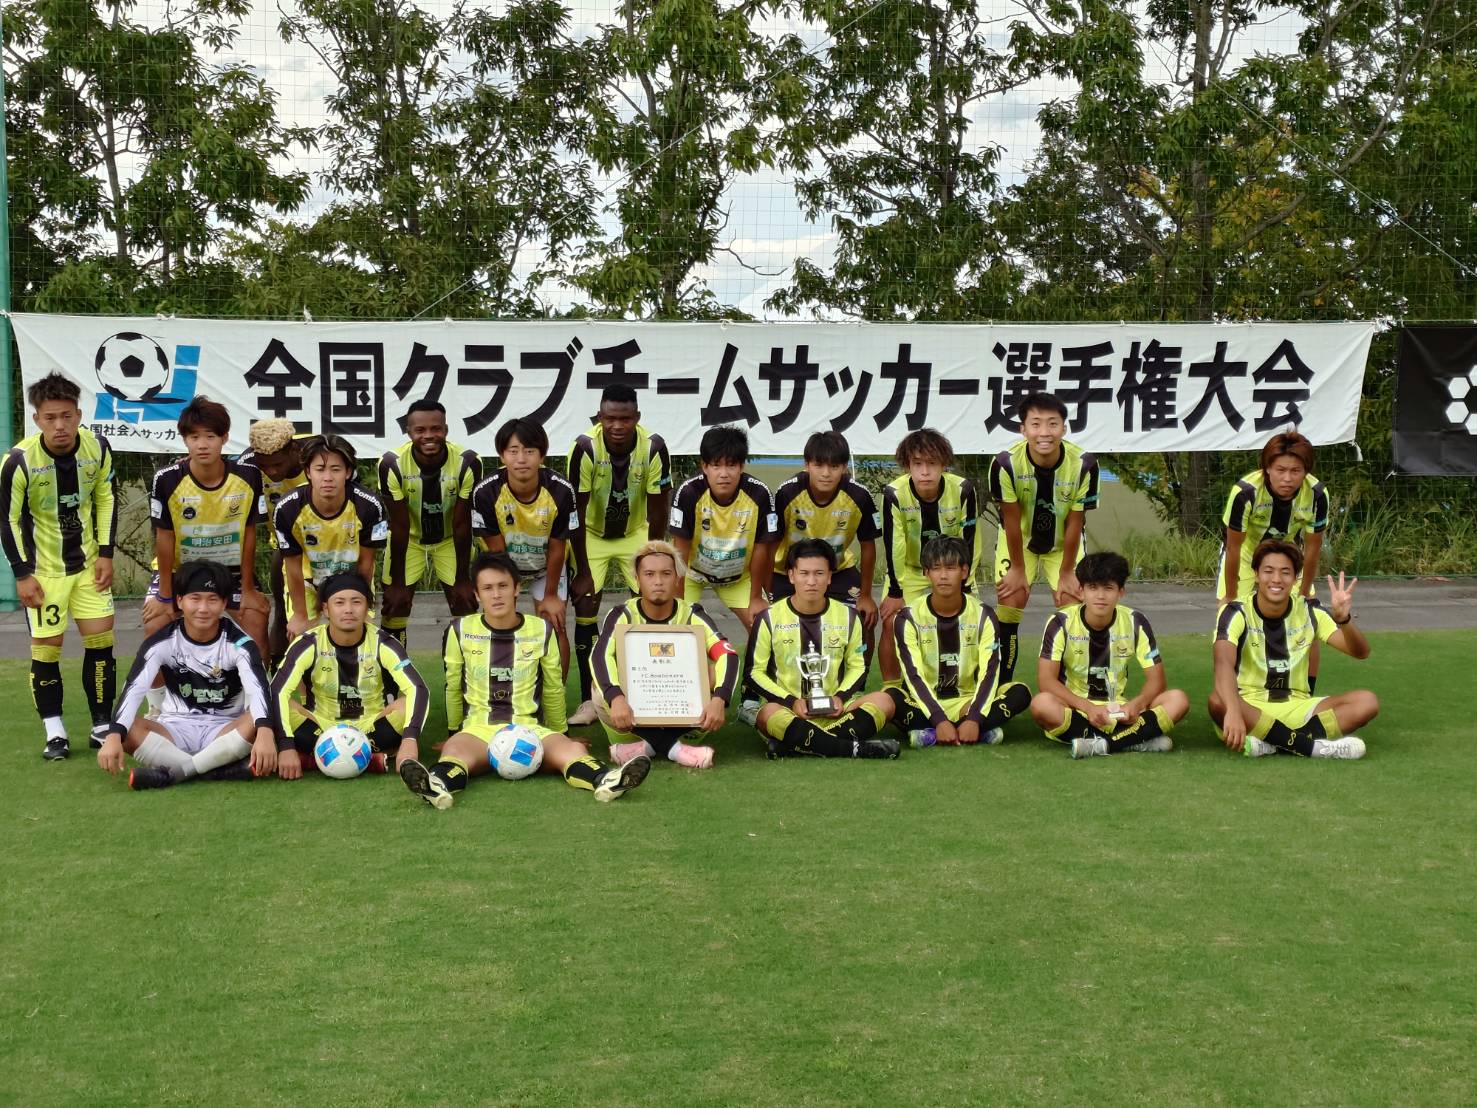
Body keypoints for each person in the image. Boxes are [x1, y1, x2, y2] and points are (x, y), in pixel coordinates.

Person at [397, 552, 651, 809]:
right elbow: (453, 686)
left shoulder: (542, 629)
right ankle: (435, 786)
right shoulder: (460, 630)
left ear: (517, 588)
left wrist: (561, 734)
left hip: (530, 732)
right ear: (477, 594)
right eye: (488, 588)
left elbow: (553, 688)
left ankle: (608, 780)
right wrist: (454, 734)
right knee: (454, 754)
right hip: (478, 730)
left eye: (503, 586)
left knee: (574, 752)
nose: (496, 595)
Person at [1, 372, 118, 759]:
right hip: (44, 572)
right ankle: (55, 732)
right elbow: (7, 521)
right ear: (37, 419)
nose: (60, 425)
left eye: (67, 416)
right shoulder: (18, 461)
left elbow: (106, 498)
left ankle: (101, 725)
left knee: (101, 641)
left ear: (79, 415)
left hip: (88, 567)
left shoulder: (97, 447)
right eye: (50, 418)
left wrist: (106, 553)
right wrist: (22, 574)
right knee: (47, 650)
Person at [96, 561, 278, 790]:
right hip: (173, 730)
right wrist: (114, 736)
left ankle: (177, 773)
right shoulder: (161, 642)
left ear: (224, 603)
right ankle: (217, 770)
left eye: (212, 600)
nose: (203, 608)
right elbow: (134, 689)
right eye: (195, 599)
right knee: (124, 727)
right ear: (180, 601)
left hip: (223, 730)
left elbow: (258, 690)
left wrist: (265, 732)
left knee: (259, 721)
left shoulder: (240, 644)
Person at [1209, 539, 1375, 760]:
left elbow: (1361, 652)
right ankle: (1313, 747)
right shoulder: (1235, 612)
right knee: (1218, 701)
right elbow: (1223, 664)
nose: (1276, 579)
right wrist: (1232, 711)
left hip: (1298, 707)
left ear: (1296, 578)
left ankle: (1274, 744)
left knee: (1366, 702)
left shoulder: (1310, 611)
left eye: (1285, 572)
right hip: (1249, 707)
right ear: (1256, 575)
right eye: (1268, 571)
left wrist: (1344, 619)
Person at [566, 385, 673, 726]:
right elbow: (574, 512)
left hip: (635, 532)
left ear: (636, 418)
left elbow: (659, 507)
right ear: (599, 417)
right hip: (591, 534)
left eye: (625, 419)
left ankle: (648, 693)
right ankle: (588, 699)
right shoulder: (585, 448)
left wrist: (653, 557)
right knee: (585, 604)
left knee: (652, 602)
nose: (617, 426)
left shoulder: (653, 447)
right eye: (610, 418)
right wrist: (583, 571)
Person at [746, 539, 900, 760]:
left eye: (819, 573)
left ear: (829, 577)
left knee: (885, 701)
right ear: (791, 576)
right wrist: (791, 701)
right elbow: (753, 672)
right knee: (767, 714)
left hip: (838, 710)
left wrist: (840, 697)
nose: (811, 581)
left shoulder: (849, 616)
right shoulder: (768, 618)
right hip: (789, 710)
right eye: (804, 573)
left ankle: (797, 744)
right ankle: (853, 748)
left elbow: (858, 666)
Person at [591, 541, 737, 769]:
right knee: (600, 685)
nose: (658, 581)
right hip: (629, 724)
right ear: (637, 580)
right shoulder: (622, 614)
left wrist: (720, 698)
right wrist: (615, 697)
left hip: (679, 712)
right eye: (649, 574)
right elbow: (599, 655)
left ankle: (649, 748)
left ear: (677, 578)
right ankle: (674, 749)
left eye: (666, 574)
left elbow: (727, 654)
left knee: (712, 675)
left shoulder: (692, 613)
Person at [1029, 551, 1189, 758]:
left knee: (1178, 699)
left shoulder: (1136, 621)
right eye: (1093, 587)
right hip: (1076, 710)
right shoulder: (1060, 622)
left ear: (1121, 592)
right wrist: (1088, 708)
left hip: (1119, 712)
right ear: (1081, 591)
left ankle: (1100, 744)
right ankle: (1132, 740)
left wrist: (1136, 705)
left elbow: (1157, 681)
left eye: (1108, 588)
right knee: (1041, 704)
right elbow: (1046, 681)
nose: (1100, 596)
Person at [144, 396, 270, 655]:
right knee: (155, 623)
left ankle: (254, 683)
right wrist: (165, 595)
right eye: (194, 437)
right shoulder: (166, 479)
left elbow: (249, 533)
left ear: (224, 438)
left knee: (256, 620)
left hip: (232, 572)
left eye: (210, 436)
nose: (202, 445)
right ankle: (168, 685)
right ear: (184, 440)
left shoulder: (248, 475)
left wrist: (248, 589)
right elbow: (164, 536)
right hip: (180, 572)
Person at [271, 572, 428, 778]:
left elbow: (418, 688)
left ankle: (315, 758)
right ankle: (371, 758)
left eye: (356, 602)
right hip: (320, 726)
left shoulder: (384, 643)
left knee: (410, 701)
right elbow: (278, 691)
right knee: (276, 699)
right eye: (339, 602)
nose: (348, 609)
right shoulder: (308, 643)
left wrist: (410, 740)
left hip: (371, 727)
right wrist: (286, 745)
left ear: (367, 607)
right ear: (326, 609)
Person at [989, 392, 1100, 682]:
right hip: (1019, 543)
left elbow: (1076, 522)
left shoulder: (1084, 464)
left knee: (1072, 604)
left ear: (1064, 428)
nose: (1044, 432)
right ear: (1023, 429)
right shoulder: (1005, 464)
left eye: (1052, 424)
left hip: (1063, 545)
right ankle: (1002, 686)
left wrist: (1067, 571)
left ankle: (1070, 688)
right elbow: (1011, 521)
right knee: (1011, 599)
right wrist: (1017, 568)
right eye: (1036, 424)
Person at [890, 536, 1031, 749]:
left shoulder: (984, 615)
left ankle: (932, 734)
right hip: (923, 705)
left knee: (1020, 692)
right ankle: (979, 731)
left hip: (967, 702)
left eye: (950, 568)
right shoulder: (907, 617)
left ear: (964, 571)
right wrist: (939, 719)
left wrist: (974, 717)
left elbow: (990, 672)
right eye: (936, 568)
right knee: (890, 697)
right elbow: (913, 674)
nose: (943, 576)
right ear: (926, 573)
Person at [470, 417, 584, 674]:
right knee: (500, 622)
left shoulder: (561, 490)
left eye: (529, 451)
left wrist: (551, 595)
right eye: (513, 451)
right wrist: (508, 590)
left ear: (542, 455)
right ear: (502, 455)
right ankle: (500, 688)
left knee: (553, 623)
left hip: (547, 568)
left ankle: (555, 693)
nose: (521, 459)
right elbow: (497, 552)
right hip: (504, 565)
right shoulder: (485, 492)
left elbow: (558, 547)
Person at [878, 428, 982, 685]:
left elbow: (970, 541)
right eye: (917, 464)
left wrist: (965, 583)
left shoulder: (963, 490)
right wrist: (895, 591)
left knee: (970, 622)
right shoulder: (894, 494)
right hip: (910, 571)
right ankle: (893, 689)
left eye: (932, 463)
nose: (925, 472)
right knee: (891, 622)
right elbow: (894, 546)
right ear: (907, 466)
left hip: (951, 570)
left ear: (943, 464)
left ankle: (968, 687)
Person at [378, 400, 481, 646]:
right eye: (420, 430)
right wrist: (398, 582)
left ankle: (464, 665)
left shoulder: (468, 462)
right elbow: (399, 525)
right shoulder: (391, 464)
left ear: (446, 430)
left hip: (449, 539)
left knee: (465, 601)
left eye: (436, 429)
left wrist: (463, 578)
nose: (429, 436)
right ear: (408, 432)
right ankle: (395, 668)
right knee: (396, 603)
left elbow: (462, 524)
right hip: (410, 540)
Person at [770, 429, 880, 645]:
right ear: (807, 465)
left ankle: (859, 667)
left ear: (845, 467)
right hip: (787, 571)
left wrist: (866, 595)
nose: (826, 473)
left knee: (865, 618)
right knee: (772, 622)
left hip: (837, 570)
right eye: (819, 465)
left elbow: (868, 545)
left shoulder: (859, 496)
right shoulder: (787, 493)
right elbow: (770, 544)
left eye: (834, 466)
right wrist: (764, 592)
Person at [273, 435, 388, 638]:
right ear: (308, 472)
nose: (327, 477)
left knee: (355, 636)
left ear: (348, 472)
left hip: (352, 579)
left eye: (336, 469)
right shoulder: (287, 508)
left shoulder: (369, 506)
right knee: (303, 638)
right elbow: (292, 566)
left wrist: (359, 601)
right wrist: (300, 615)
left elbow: (367, 563)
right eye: (320, 469)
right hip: (307, 581)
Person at [670, 423, 777, 634]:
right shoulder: (688, 493)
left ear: (742, 467)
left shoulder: (759, 494)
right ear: (704, 467)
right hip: (692, 573)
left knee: (764, 627)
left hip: (738, 577)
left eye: (731, 465)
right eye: (716, 465)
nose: (724, 474)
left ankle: (755, 657)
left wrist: (756, 597)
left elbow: (762, 549)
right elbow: (680, 550)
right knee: (678, 627)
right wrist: (678, 603)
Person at [236, 418, 307, 668]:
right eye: (265, 466)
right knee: (283, 606)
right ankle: (278, 670)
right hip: (284, 545)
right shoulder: (248, 465)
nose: (272, 472)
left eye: (277, 464)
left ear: (293, 450)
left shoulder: (317, 456)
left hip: (326, 546)